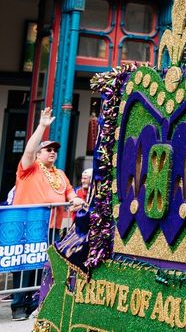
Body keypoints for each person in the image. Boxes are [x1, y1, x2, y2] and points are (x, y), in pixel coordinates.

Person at [11, 107, 84, 320]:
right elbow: (28, 151)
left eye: (55, 149)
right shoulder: (29, 167)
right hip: (27, 225)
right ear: (39, 153)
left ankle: (36, 302)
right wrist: (42, 126)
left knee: (43, 265)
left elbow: (70, 192)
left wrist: (76, 199)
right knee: (24, 265)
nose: (52, 152)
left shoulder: (60, 173)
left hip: (51, 227)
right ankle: (18, 306)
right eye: (48, 149)